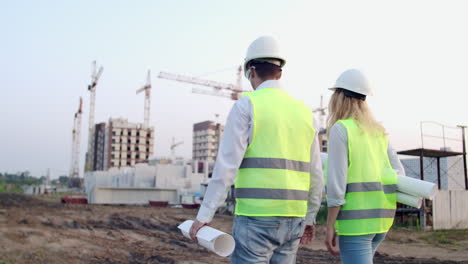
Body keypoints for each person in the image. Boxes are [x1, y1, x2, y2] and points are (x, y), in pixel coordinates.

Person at [189, 36, 324, 264]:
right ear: (280, 72)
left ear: (251, 71)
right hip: (294, 218)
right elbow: (317, 174)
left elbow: (226, 167)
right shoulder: (305, 113)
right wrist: (310, 217)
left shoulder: (247, 105)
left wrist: (205, 215)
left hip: (256, 218)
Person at [324, 69, 406, 264]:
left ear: (339, 97)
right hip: (381, 221)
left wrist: (329, 226)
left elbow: (336, 186)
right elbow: (399, 173)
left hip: (356, 224)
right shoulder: (378, 132)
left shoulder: (341, 129)